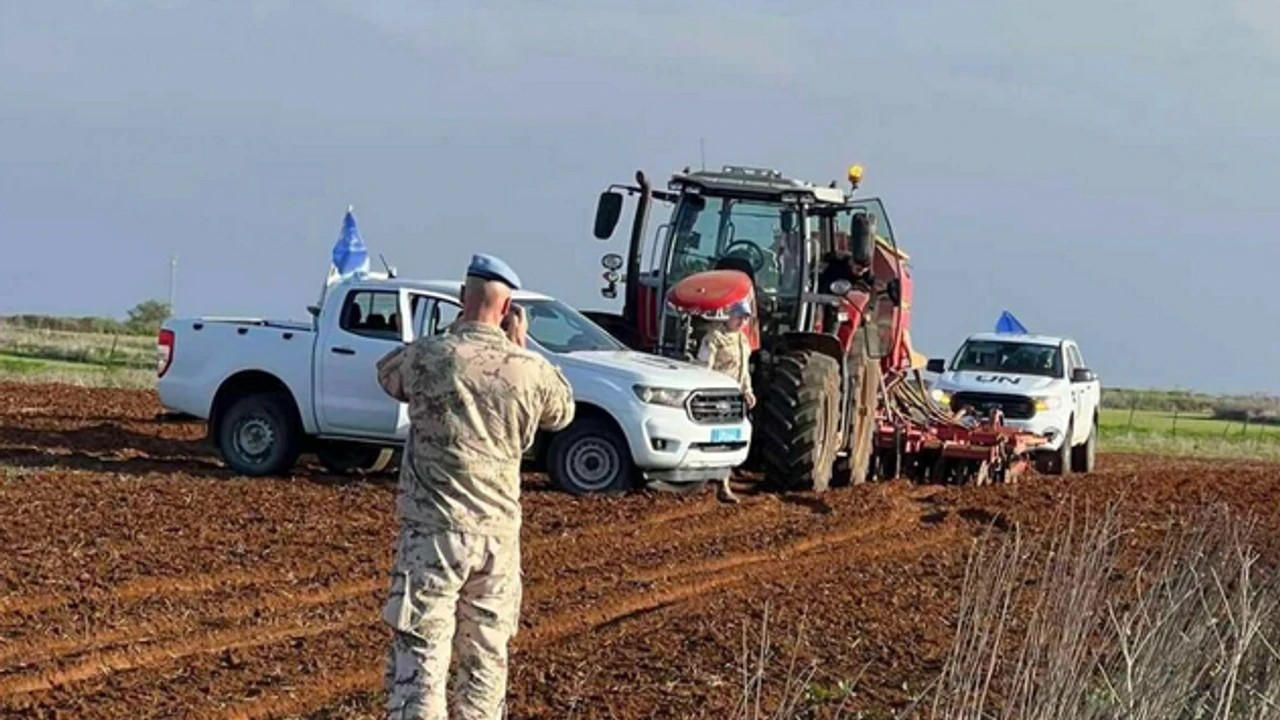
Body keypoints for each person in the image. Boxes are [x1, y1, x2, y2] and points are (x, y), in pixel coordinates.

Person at [375, 253, 575, 720]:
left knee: (422, 654)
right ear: (508, 311)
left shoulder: (430, 355)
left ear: (463, 299)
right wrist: (522, 348)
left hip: (434, 532)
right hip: (497, 538)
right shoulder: (528, 369)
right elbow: (562, 411)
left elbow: (388, 375)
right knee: (486, 659)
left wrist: (448, 334)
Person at [695, 299, 756, 504]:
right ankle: (702, 483)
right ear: (729, 316)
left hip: (735, 397)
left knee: (729, 440)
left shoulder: (743, 341)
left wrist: (748, 391)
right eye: (739, 317)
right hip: (717, 396)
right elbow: (705, 368)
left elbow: (744, 370)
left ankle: (723, 485)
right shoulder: (714, 338)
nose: (742, 321)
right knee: (712, 439)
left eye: (745, 318)